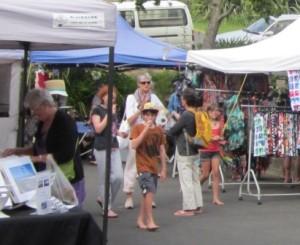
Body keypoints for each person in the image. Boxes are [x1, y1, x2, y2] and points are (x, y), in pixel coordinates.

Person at [2, 88, 85, 206]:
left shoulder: (65, 121)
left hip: (66, 181)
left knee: (66, 214)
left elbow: (65, 154)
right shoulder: (42, 122)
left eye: (36, 109)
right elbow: (38, 148)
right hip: (47, 178)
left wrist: (36, 159)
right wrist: (17, 151)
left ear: (46, 104)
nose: (34, 113)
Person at [122, 72, 165, 209]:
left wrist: (159, 122)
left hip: (150, 136)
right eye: (143, 83)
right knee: (132, 165)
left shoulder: (154, 97)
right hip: (137, 133)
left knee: (151, 165)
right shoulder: (131, 98)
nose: (146, 85)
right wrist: (140, 109)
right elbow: (129, 120)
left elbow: (163, 112)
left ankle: (149, 196)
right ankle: (128, 195)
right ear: (138, 84)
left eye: (148, 82)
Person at [130, 102, 167, 231]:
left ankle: (140, 219)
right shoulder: (137, 128)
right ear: (143, 115)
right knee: (149, 192)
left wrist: (163, 168)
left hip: (153, 166)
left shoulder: (159, 130)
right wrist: (146, 128)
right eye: (146, 114)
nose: (149, 117)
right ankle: (150, 220)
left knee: (147, 194)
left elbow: (162, 150)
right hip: (143, 166)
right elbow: (134, 145)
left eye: (152, 114)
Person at [167, 88, 203, 217]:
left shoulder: (186, 115)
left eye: (182, 98)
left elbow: (173, 131)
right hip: (195, 149)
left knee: (186, 180)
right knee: (195, 180)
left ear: (185, 101)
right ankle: (198, 205)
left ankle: (188, 208)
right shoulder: (197, 113)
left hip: (185, 150)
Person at [91, 85, 124, 218]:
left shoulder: (114, 111)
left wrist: (121, 133)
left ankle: (103, 198)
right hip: (102, 147)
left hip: (114, 146)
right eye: (109, 96)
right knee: (104, 178)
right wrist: (109, 113)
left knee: (118, 177)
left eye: (114, 97)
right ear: (102, 97)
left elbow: (112, 129)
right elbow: (98, 129)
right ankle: (107, 207)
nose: (112, 98)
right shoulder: (97, 111)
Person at [199, 103, 225, 205]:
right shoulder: (205, 122)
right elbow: (202, 137)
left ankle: (215, 198)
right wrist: (212, 138)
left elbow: (222, 137)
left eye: (216, 110)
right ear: (208, 112)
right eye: (212, 111)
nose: (214, 113)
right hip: (205, 150)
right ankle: (195, 187)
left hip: (215, 151)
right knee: (205, 174)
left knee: (216, 173)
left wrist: (221, 139)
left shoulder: (220, 123)